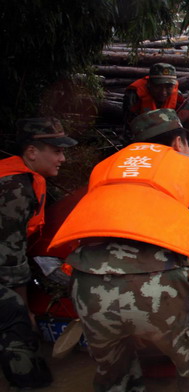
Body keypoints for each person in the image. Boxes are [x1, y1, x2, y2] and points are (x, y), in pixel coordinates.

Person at [49, 109, 189, 391]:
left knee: (115, 378)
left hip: (87, 286)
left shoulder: (106, 169)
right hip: (160, 286)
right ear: (178, 144)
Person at [0, 117, 77, 389]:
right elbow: (8, 260)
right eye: (57, 151)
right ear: (31, 152)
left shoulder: (24, 179)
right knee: (16, 327)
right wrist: (26, 309)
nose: (63, 158)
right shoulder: (15, 189)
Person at [123, 63, 189, 139]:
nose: (163, 92)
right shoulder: (134, 95)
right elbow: (129, 128)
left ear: (174, 85)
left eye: (168, 87)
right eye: (158, 86)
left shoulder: (177, 95)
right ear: (149, 84)